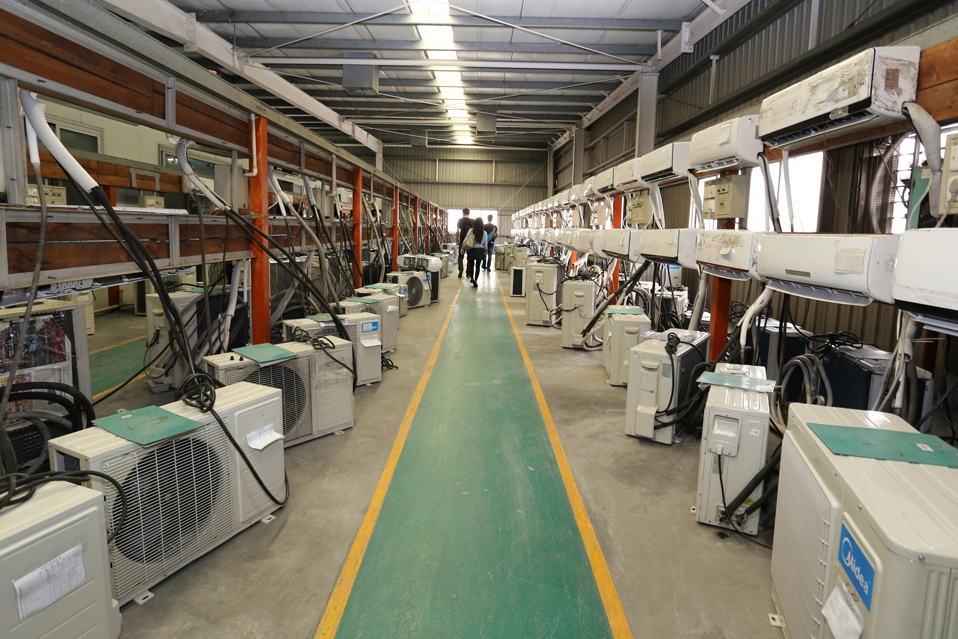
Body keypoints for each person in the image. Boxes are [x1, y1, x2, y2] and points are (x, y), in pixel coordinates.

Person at [461, 217, 487, 288]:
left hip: (471, 249)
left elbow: (465, 240)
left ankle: (472, 278)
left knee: (471, 264)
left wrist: (462, 248)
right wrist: (485, 252)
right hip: (480, 250)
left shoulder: (471, 231)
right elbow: (485, 245)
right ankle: (475, 280)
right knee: (478, 266)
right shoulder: (484, 233)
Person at [456, 208, 472, 278]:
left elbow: (457, 231)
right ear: (469, 213)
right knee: (469, 257)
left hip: (462, 240)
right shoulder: (472, 221)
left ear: (463, 213)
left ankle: (461, 270)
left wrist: (457, 239)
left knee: (460, 256)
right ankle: (468, 272)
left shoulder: (460, 220)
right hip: (469, 242)